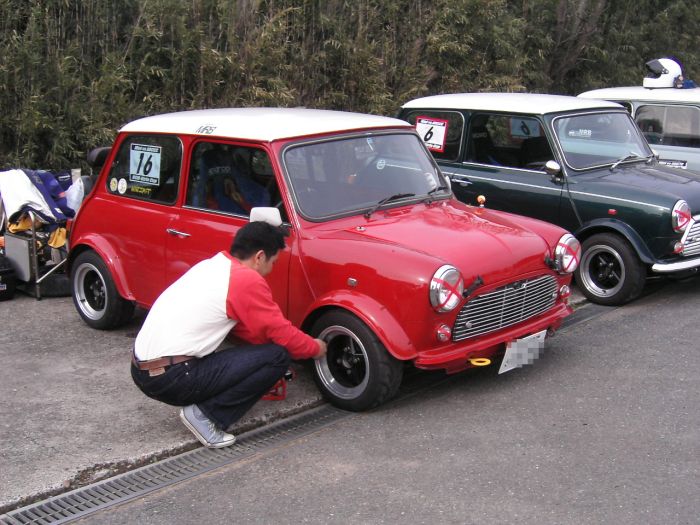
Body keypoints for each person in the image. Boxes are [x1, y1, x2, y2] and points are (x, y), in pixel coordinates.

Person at [131, 220, 327, 448]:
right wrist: (315, 348)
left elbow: (246, 330)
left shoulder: (212, 265)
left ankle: (202, 405)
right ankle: (206, 416)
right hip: (173, 377)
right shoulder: (245, 280)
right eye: (273, 262)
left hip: (143, 370)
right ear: (260, 257)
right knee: (277, 357)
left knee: (263, 352)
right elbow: (280, 332)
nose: (271, 269)